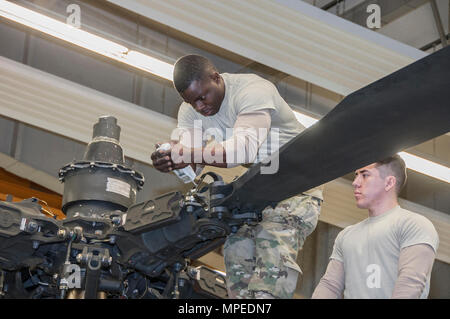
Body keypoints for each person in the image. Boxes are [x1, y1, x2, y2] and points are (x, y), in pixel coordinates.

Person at [151, 54, 323, 299]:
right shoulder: (191, 112)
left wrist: (186, 153)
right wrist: (172, 159)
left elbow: (242, 150)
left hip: (296, 183)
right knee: (236, 250)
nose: (200, 106)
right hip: (257, 187)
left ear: (216, 77)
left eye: (203, 96)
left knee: (272, 244)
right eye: (192, 102)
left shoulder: (253, 91)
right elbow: (192, 166)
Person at [312, 155, 439, 299]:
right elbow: (330, 285)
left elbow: (410, 283)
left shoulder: (413, 224)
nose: (355, 182)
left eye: (365, 175)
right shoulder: (346, 235)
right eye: (356, 175)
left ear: (389, 182)